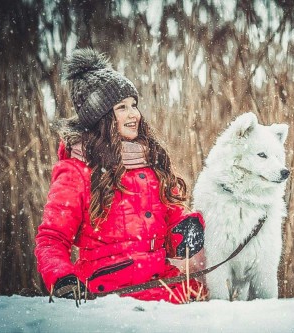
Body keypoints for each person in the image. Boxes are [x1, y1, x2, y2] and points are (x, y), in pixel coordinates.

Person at [35, 48, 205, 304]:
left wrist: (185, 227)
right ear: (101, 117)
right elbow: (51, 239)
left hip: (164, 288)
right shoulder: (77, 170)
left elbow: (170, 216)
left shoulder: (151, 161)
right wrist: (62, 279)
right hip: (108, 298)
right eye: (122, 107)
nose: (134, 114)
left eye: (134, 105)